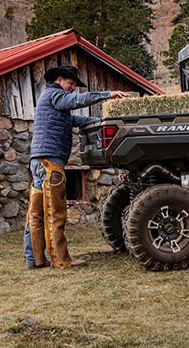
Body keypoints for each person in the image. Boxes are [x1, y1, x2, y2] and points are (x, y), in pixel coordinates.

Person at [24, 65, 127, 269]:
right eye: (71, 84)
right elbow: (77, 101)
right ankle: (61, 260)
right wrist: (107, 94)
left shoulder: (51, 101)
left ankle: (34, 260)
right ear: (60, 80)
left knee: (36, 214)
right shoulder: (56, 94)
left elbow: (74, 119)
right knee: (56, 212)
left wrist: (102, 121)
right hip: (50, 162)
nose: (72, 88)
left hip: (39, 160)